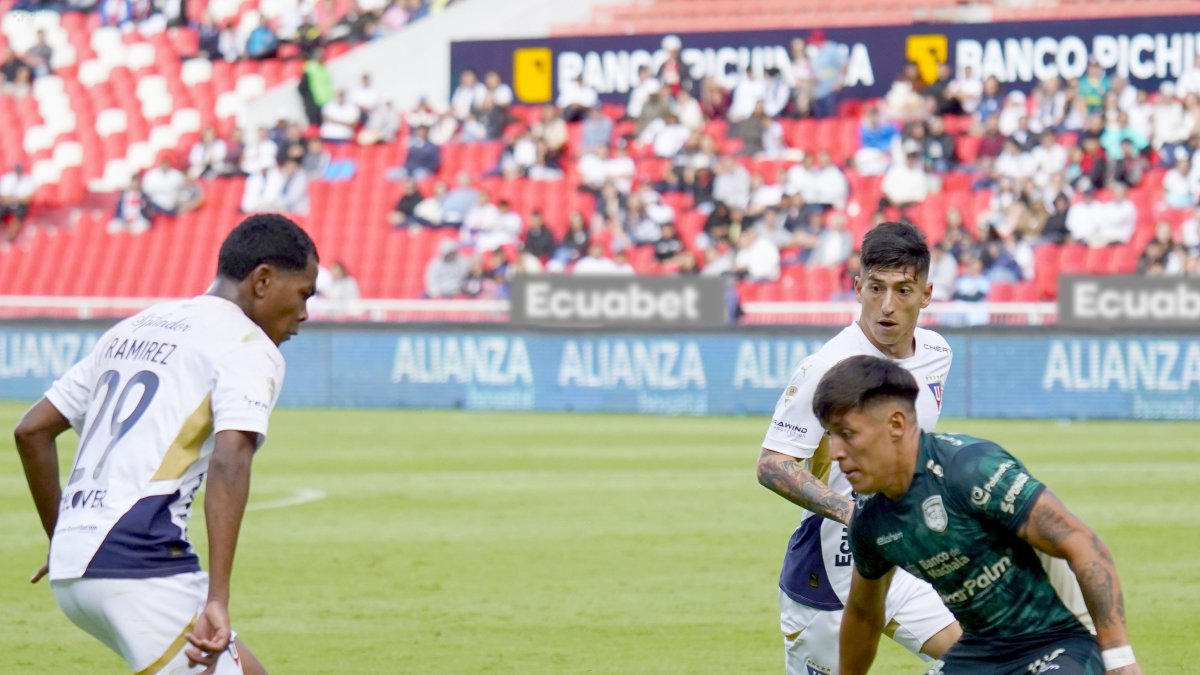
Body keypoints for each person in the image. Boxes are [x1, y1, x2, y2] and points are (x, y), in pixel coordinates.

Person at [14, 214, 319, 675]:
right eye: (303, 294)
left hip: (76, 571)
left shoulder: (136, 327)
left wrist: (65, 539)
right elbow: (230, 460)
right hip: (140, 565)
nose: (304, 315)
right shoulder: (248, 345)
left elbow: (31, 430)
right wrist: (217, 598)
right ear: (262, 280)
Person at [819, 355, 1141, 675]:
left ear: (896, 424)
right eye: (830, 435)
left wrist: (1119, 659)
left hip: (1064, 637)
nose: (835, 453)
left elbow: (1080, 541)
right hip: (980, 652)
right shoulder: (870, 521)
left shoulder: (968, 469)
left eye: (847, 433)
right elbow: (863, 613)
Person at [756, 222, 962, 675]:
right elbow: (772, 465)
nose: (887, 305)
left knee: (988, 658)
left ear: (926, 294)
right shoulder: (827, 368)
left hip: (901, 562)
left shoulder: (936, 354)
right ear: (857, 288)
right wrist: (853, 513)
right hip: (830, 575)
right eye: (876, 288)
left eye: (903, 290)